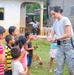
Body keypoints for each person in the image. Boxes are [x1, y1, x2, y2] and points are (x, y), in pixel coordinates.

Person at [49, 6, 74, 75]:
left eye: (54, 14)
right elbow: (52, 33)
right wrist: (50, 37)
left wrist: (56, 38)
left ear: (59, 12)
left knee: (71, 68)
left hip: (69, 46)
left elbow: (68, 34)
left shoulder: (65, 20)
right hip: (60, 46)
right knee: (58, 68)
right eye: (51, 14)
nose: (53, 16)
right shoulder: (55, 22)